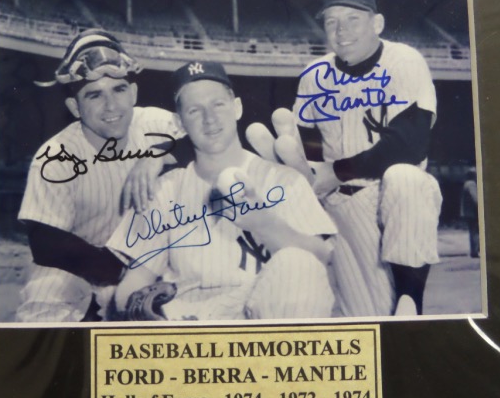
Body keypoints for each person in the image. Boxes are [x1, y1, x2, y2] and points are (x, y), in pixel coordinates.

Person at [106, 61, 338, 321]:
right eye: (195, 111)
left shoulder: (283, 179)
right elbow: (134, 283)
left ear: (237, 108)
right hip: (192, 327)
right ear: (179, 123)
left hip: (268, 318)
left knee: (298, 262)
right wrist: (134, 310)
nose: (210, 119)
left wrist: (265, 223)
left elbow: (322, 260)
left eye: (218, 104)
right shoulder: (163, 190)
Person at [291, 0, 443, 316]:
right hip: (340, 204)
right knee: (369, 314)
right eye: (332, 22)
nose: (341, 31)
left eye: (352, 19)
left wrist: (335, 171)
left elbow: (409, 145)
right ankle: (395, 306)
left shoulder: (404, 61)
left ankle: (411, 298)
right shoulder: (314, 76)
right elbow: (310, 146)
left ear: (377, 23)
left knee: (408, 178)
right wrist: (316, 179)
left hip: (391, 194)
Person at [15, 29, 183, 322]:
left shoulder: (156, 122)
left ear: (133, 93)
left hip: (147, 264)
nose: (111, 106)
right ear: (74, 107)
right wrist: (123, 276)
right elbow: (46, 245)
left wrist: (154, 155)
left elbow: (207, 139)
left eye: (118, 90)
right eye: (94, 95)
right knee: (46, 316)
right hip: (75, 272)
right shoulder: (55, 155)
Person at [461, 168, 479, 258]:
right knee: (475, 232)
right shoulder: (471, 184)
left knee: (473, 231)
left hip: (468, 212)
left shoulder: (466, 183)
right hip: (473, 212)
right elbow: (475, 198)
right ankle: (475, 251)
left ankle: (474, 251)